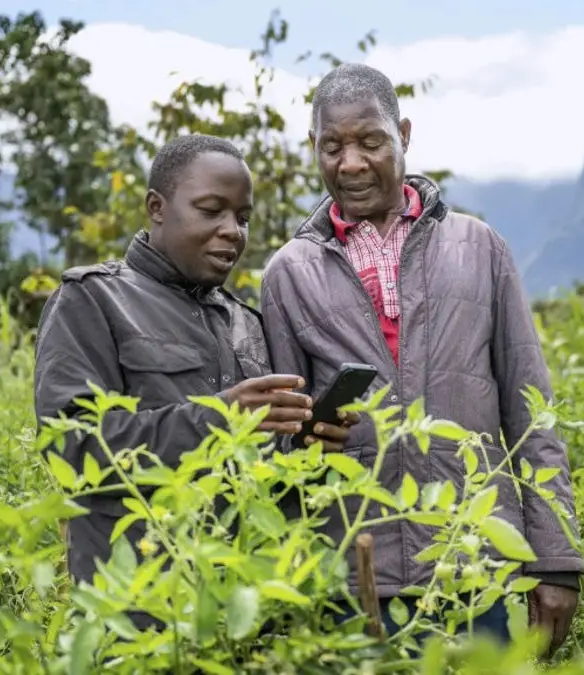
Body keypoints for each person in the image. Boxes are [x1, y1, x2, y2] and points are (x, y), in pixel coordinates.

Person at [259, 64, 583, 657]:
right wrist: (304, 440)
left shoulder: (479, 247)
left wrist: (557, 561)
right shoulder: (288, 273)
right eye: (332, 146)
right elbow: (279, 444)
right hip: (354, 579)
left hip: (477, 567)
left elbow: (532, 414)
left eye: (370, 141)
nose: (350, 162)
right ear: (314, 148)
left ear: (403, 135)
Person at [33, 134, 355, 609]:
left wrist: (304, 447)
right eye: (211, 210)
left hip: (244, 613)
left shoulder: (247, 322)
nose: (233, 231)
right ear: (157, 207)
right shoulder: (93, 300)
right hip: (138, 614)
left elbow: (262, 478)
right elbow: (72, 448)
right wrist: (218, 418)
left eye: (242, 218)